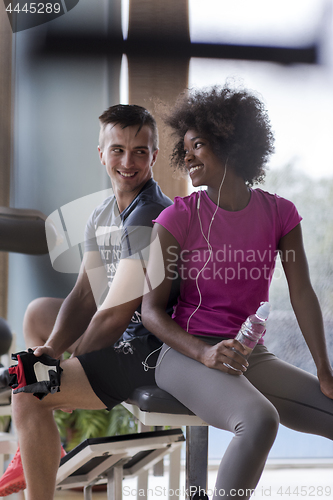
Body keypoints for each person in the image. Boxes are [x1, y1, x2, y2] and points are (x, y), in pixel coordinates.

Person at [141, 85, 333, 500]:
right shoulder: (177, 217)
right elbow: (151, 312)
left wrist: (323, 369)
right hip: (184, 354)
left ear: (232, 145)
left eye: (199, 145)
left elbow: (302, 293)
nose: (187, 156)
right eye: (185, 147)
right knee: (260, 419)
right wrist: (204, 352)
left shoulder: (280, 214)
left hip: (247, 355)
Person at [0, 104, 178, 499]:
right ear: (101, 153)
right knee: (39, 315)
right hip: (121, 332)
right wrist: (51, 349)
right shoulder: (101, 213)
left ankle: (37, 441)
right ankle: (41, 444)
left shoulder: (149, 215)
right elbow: (84, 295)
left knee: (26, 391)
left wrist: (65, 365)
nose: (128, 162)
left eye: (140, 151)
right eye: (117, 150)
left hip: (149, 348)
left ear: (154, 156)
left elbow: (115, 316)